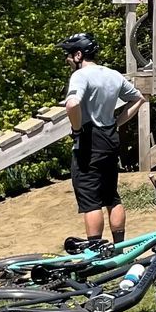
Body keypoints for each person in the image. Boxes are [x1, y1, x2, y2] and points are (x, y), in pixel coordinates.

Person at [58, 32, 146, 252]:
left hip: (89, 140)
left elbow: (72, 105)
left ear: (79, 54)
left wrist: (77, 129)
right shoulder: (113, 74)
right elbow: (138, 99)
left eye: (69, 55)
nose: (67, 60)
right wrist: (117, 123)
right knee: (111, 196)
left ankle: (96, 252)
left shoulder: (81, 76)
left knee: (91, 201)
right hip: (110, 138)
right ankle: (119, 248)